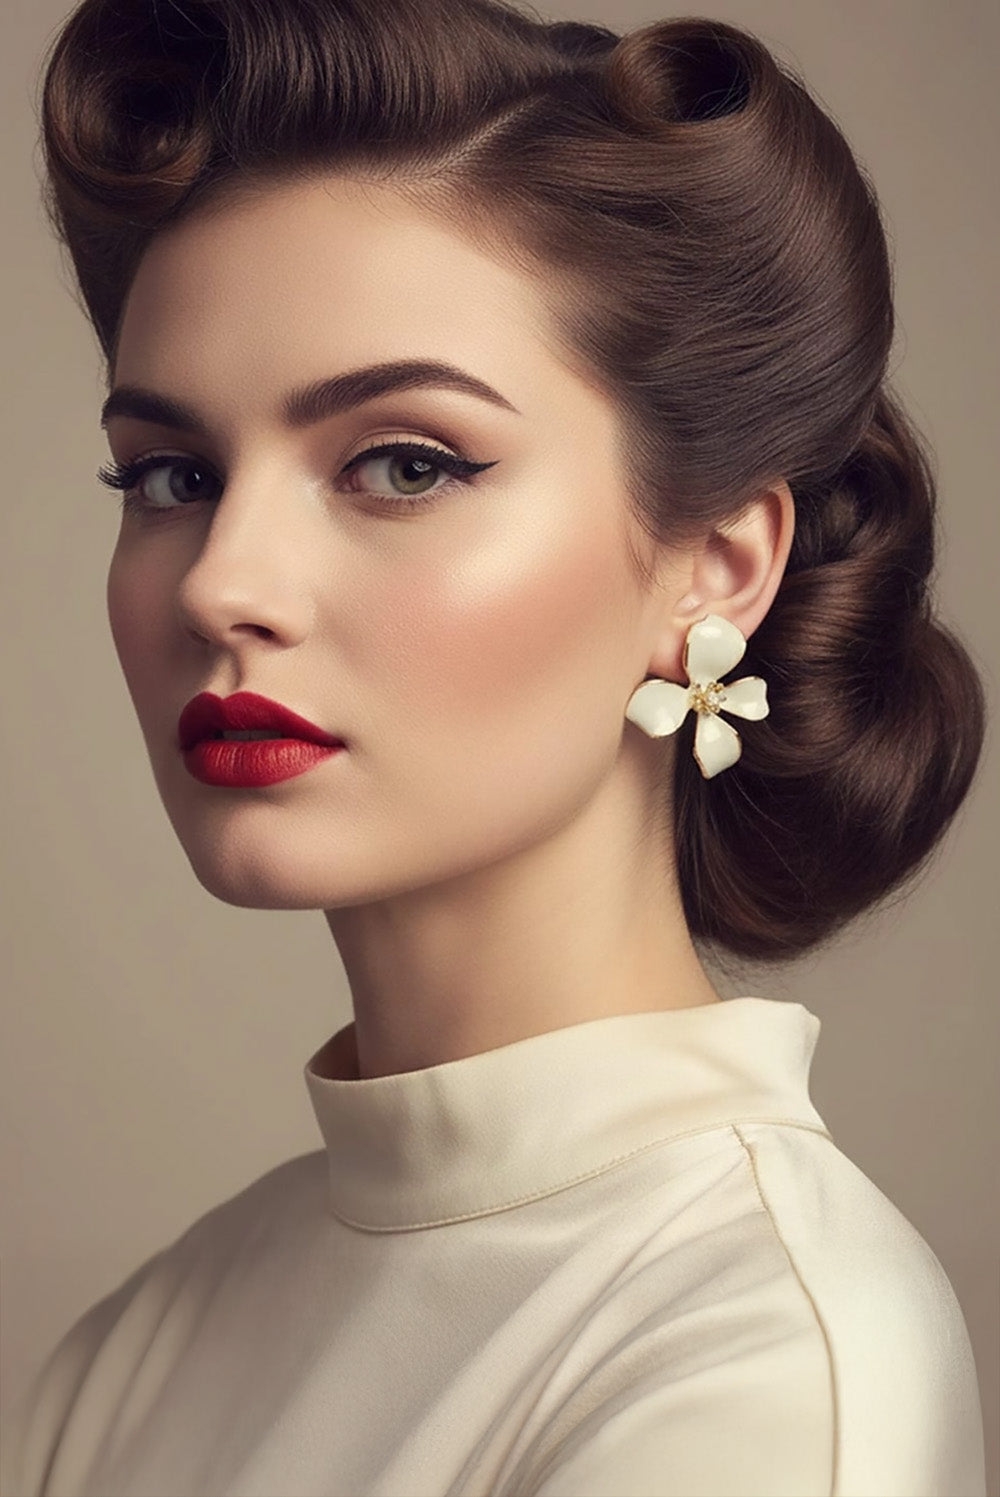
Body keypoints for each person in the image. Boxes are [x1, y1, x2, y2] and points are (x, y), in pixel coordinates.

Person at [2, 0, 988, 1493]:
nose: (221, 580)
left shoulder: (763, 1362)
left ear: (717, 565)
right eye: (173, 474)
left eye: (403, 462)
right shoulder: (132, 1350)